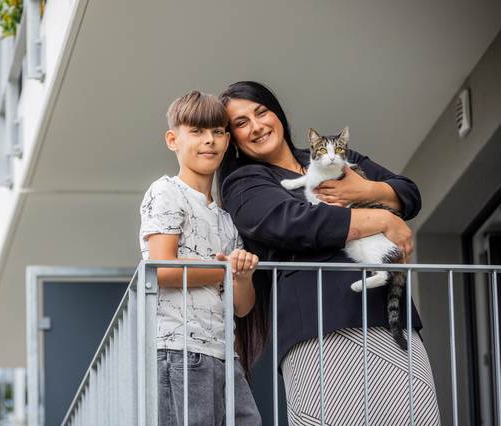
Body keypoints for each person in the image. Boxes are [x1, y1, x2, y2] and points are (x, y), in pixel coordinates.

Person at [217, 81, 440, 425]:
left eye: (261, 112)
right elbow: (294, 223)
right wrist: (378, 217)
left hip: (385, 314)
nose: (257, 125)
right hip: (318, 326)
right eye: (241, 123)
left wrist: (365, 189)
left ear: (277, 113)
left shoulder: (331, 159)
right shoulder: (244, 183)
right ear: (233, 138)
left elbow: (407, 192)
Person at [139, 90, 262, 425]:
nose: (210, 141)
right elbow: (162, 268)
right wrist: (225, 269)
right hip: (178, 350)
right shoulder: (166, 191)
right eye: (197, 131)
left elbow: (242, 306)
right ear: (172, 139)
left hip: (225, 354)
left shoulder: (227, 219)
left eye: (218, 132)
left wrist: (242, 275)